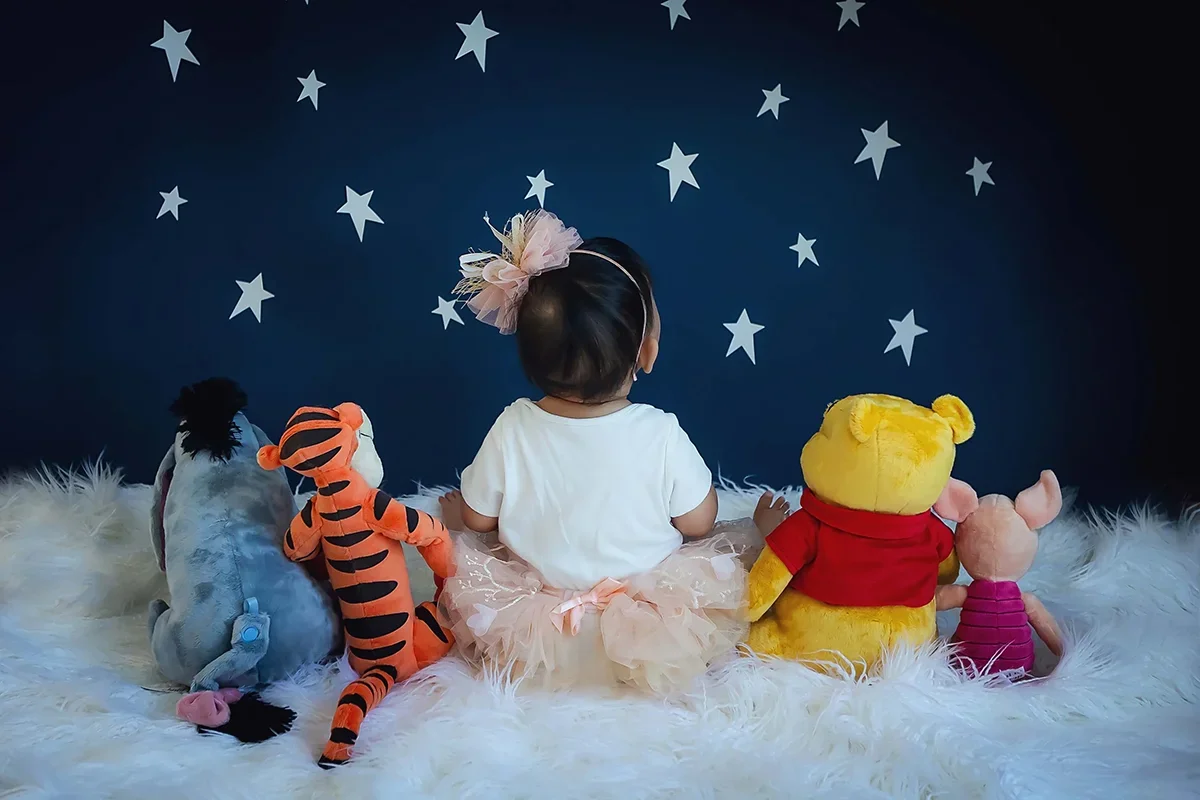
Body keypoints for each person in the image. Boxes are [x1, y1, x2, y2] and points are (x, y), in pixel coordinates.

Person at [438, 210, 788, 694]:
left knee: (466, 544)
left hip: (537, 627)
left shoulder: (513, 426)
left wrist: (463, 518)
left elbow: (479, 521)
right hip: (649, 623)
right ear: (646, 352)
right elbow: (699, 524)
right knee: (728, 551)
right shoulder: (660, 433)